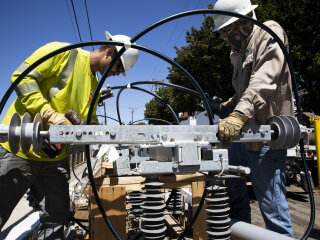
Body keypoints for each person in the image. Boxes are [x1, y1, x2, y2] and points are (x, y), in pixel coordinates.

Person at [0, 31, 139, 239]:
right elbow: (23, 76)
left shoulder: (94, 85)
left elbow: (91, 122)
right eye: (119, 67)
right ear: (109, 51)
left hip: (55, 158)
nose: (117, 74)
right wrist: (47, 113)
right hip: (21, 148)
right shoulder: (65, 54)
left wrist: (105, 139)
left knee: (56, 219)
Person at [213, 0, 294, 237]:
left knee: (272, 208)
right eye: (221, 32)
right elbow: (243, 92)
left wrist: (238, 114)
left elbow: (263, 81)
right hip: (241, 137)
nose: (225, 36)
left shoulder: (269, 33)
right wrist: (227, 105)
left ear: (245, 20)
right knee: (234, 195)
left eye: (227, 29)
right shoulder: (238, 53)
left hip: (264, 139)